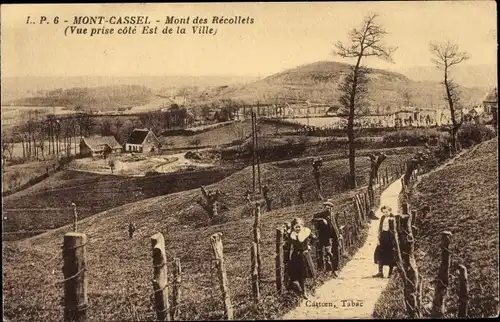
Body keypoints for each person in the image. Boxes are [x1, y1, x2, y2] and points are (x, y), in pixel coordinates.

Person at [286, 217, 317, 299]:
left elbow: (314, 238)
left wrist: (310, 246)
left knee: (309, 272)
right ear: (293, 227)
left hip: (305, 255)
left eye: (299, 226)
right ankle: (304, 291)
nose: (298, 229)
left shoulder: (306, 232)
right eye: (296, 227)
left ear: (302, 226)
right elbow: (288, 245)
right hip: (296, 256)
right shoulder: (292, 235)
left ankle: (312, 288)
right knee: (300, 275)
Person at [312, 200, 340, 277]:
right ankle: (329, 270)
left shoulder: (333, 215)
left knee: (336, 252)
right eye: (327, 208)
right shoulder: (320, 215)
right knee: (328, 253)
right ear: (324, 208)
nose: (328, 210)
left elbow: (336, 224)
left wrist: (339, 234)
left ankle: (336, 269)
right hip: (326, 237)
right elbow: (313, 220)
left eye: (330, 208)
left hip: (334, 236)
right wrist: (322, 219)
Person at [373, 206, 398, 278]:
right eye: (383, 212)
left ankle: (390, 273)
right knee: (379, 253)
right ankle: (380, 272)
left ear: (390, 211)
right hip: (383, 236)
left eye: (386, 212)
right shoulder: (382, 218)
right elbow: (380, 228)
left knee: (390, 255)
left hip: (390, 237)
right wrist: (378, 238)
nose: (385, 213)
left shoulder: (393, 218)